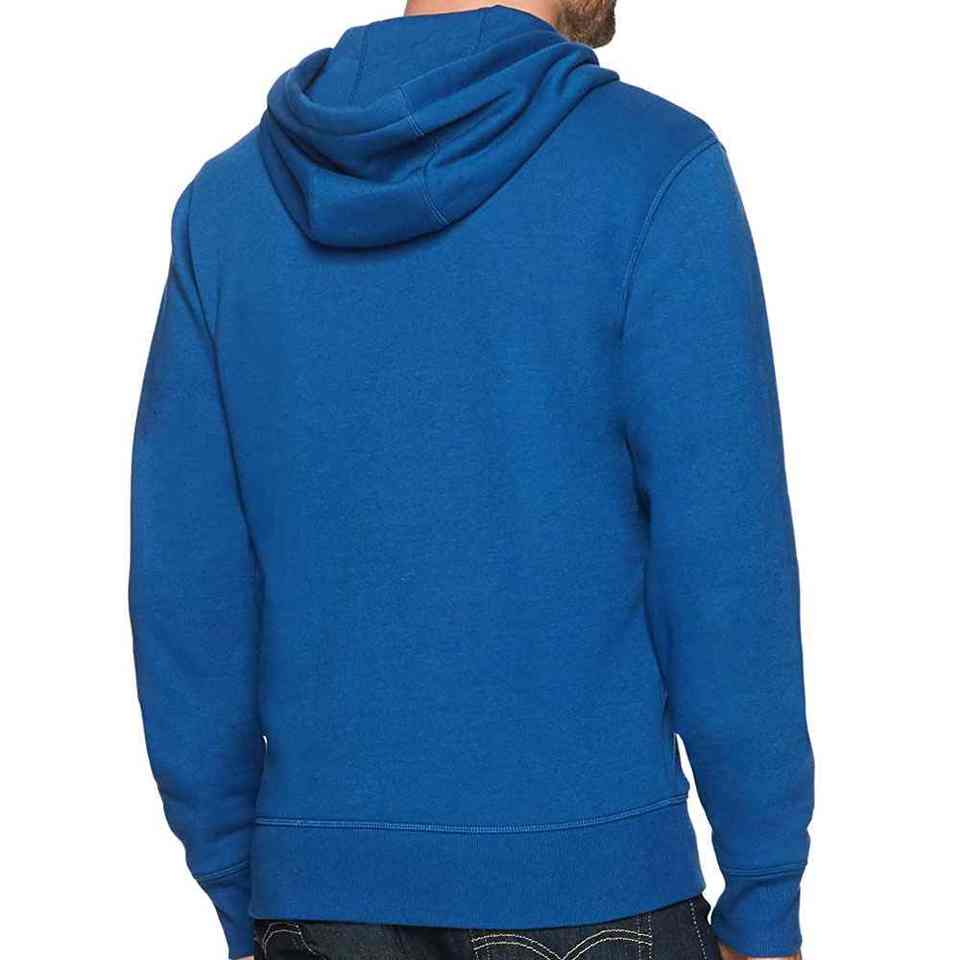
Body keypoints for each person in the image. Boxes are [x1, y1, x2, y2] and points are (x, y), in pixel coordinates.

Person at [129, 2, 814, 959]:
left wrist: (239, 877)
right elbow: (725, 572)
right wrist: (765, 895)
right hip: (593, 882)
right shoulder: (654, 170)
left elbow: (187, 589)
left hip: (316, 895)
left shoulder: (229, 205)